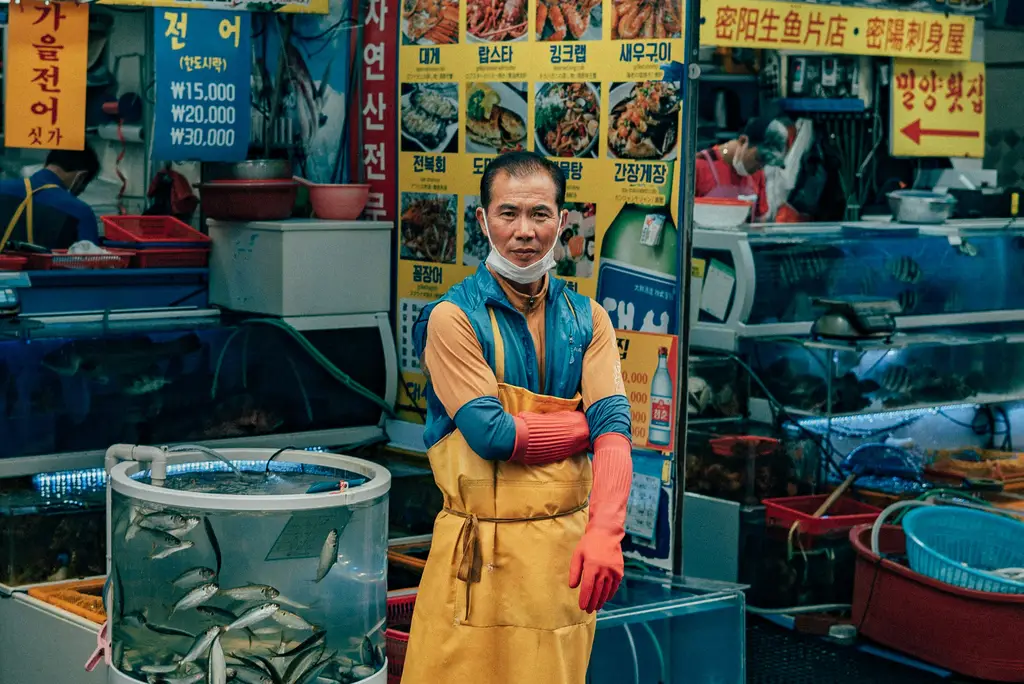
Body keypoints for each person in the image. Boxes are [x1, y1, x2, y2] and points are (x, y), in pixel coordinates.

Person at [401, 151, 634, 684]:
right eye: (508, 214)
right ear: (482, 221)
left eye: (540, 214)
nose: (524, 232)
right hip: (476, 561)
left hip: (562, 564)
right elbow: (492, 434)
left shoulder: (588, 318)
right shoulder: (451, 318)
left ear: (562, 221)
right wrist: (588, 426)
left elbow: (617, 437)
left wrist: (606, 530)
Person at [0, 146, 101, 250]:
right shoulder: (81, 212)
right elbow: (91, 261)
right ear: (81, 177)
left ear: (45, 164)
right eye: (81, 189)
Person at [695, 116, 789, 223]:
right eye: (759, 159)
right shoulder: (699, 166)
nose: (761, 166)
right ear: (743, 141)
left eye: (765, 162)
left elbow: (759, 223)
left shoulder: (758, 174)